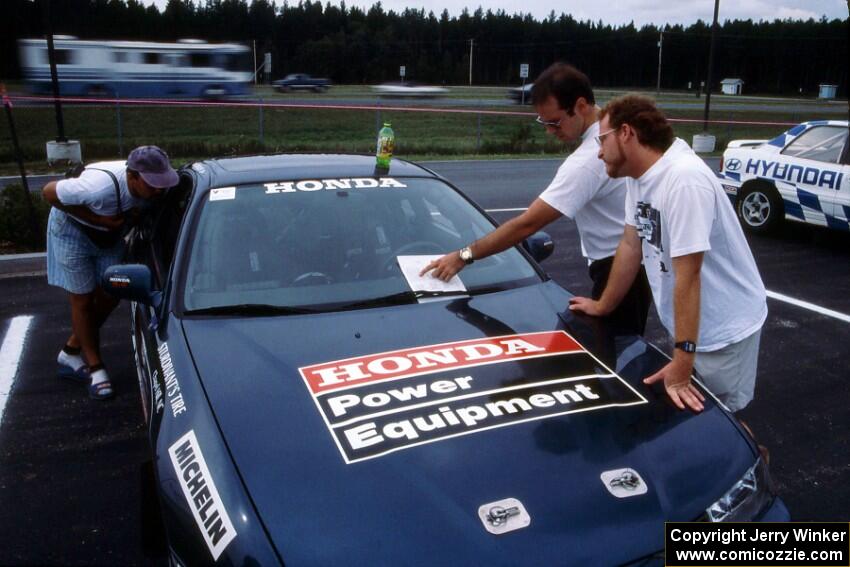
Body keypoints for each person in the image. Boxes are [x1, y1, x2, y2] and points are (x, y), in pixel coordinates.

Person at [569, 95, 767, 413]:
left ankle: (757, 459)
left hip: (723, 332)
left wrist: (682, 362)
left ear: (626, 133)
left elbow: (688, 275)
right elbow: (632, 245)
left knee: (725, 423)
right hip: (692, 328)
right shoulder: (640, 178)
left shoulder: (683, 180)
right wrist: (603, 305)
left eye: (601, 140)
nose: (599, 151)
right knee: (692, 421)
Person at [421, 63, 651, 335]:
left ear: (580, 106)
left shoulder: (588, 161)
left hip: (619, 273)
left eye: (554, 122)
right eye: (543, 122)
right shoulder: (617, 136)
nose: (550, 131)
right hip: (631, 266)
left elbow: (527, 225)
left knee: (614, 356)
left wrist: (464, 255)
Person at [42, 146, 178, 400]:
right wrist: (98, 220)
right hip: (72, 232)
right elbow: (48, 192)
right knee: (82, 298)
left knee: (114, 288)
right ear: (133, 176)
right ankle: (95, 368)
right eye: (152, 184)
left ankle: (71, 350)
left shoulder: (155, 189)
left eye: (162, 183)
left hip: (109, 236)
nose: (158, 190)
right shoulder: (97, 188)